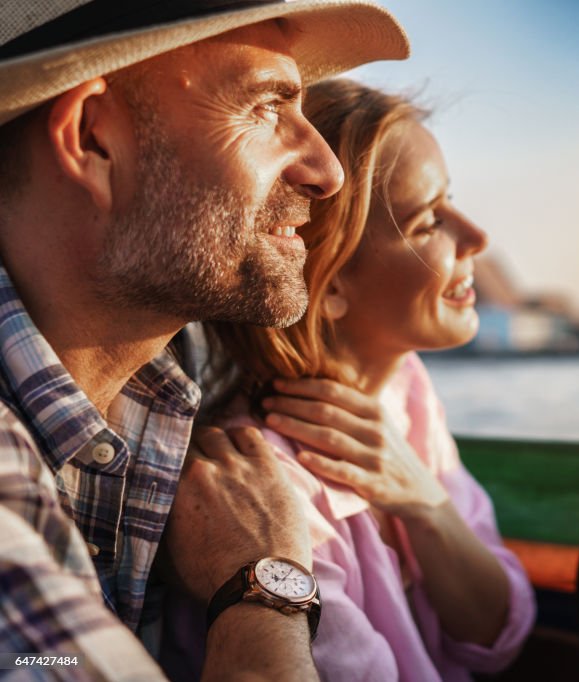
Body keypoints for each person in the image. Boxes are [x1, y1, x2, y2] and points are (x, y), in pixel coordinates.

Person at [0, 2, 408, 680]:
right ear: (94, 139)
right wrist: (261, 590)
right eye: (267, 107)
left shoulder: (170, 376)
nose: (327, 172)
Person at [171, 79, 535, 680]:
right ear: (330, 282)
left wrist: (427, 503)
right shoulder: (266, 484)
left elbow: (499, 634)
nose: (476, 237)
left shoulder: (405, 391)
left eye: (454, 202)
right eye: (428, 221)